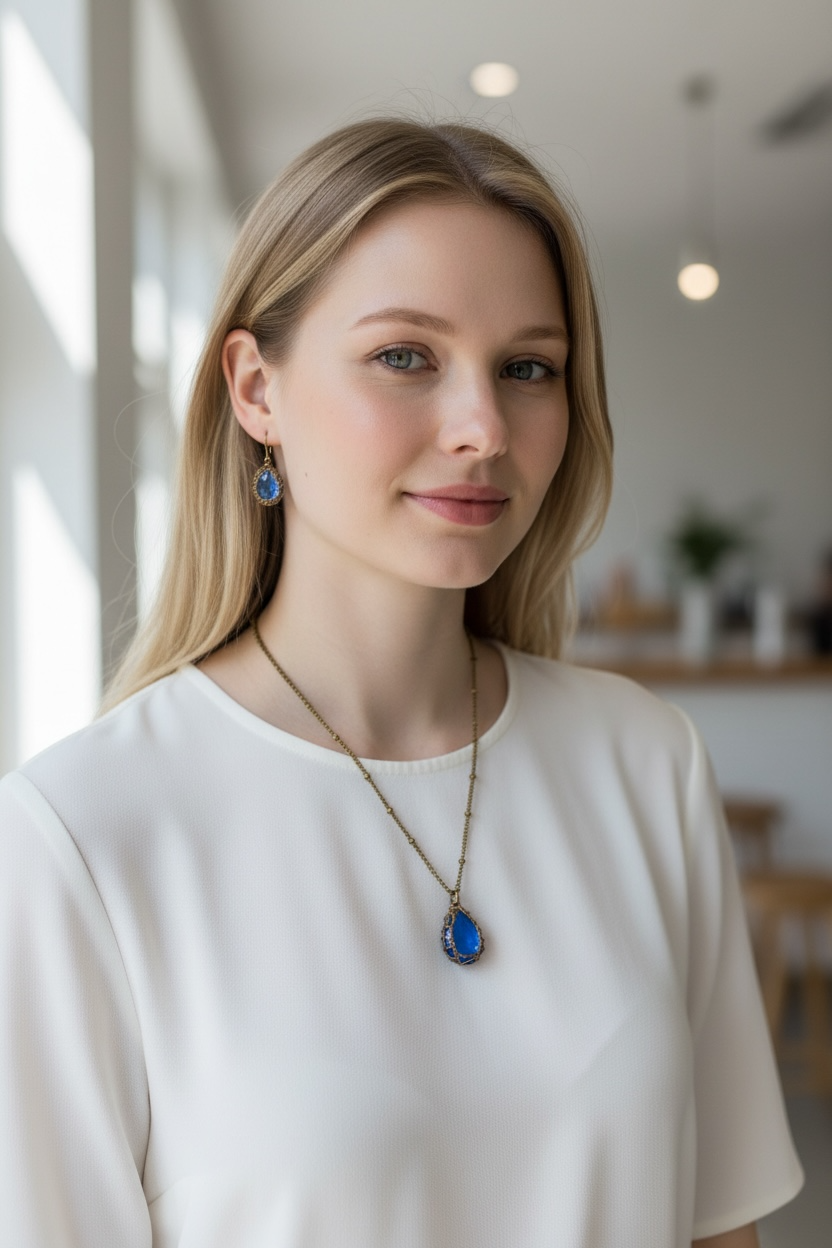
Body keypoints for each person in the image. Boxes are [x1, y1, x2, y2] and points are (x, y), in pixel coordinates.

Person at [0, 116, 804, 1248]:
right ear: (254, 390)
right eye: (405, 357)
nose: (483, 428)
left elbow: (720, 1228)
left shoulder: (643, 761)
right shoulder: (79, 837)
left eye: (528, 368)